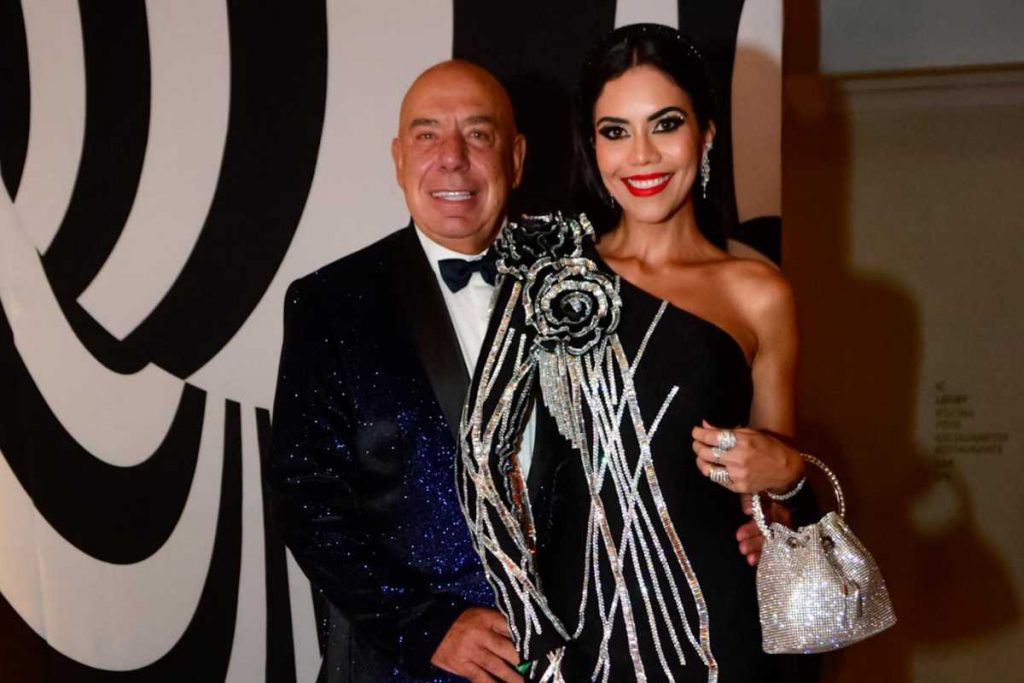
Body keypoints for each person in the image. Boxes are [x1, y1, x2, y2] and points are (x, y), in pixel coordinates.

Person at [456, 24, 812, 682]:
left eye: (665, 124)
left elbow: (781, 481)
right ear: (592, 146)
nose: (640, 156)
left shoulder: (760, 292)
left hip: (723, 631)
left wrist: (786, 487)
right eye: (615, 130)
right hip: (576, 632)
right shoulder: (546, 269)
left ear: (706, 134)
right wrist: (534, 633)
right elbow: (481, 456)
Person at [267, 60, 529, 683]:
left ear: (516, 158)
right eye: (427, 134)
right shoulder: (330, 304)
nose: (453, 158)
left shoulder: (581, 291)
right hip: (405, 667)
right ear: (398, 159)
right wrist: (427, 626)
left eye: (479, 134)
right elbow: (308, 501)